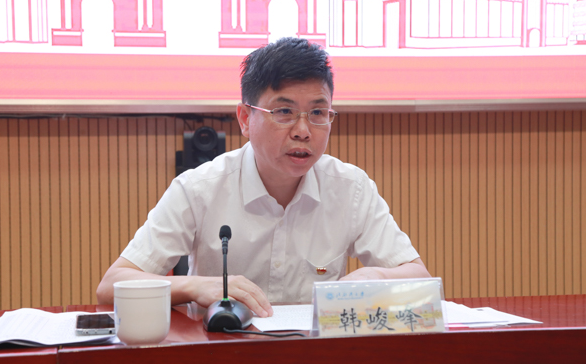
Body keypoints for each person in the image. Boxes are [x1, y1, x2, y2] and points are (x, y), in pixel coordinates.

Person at [96, 37, 430, 317]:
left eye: (318, 112)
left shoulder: (350, 188)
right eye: (284, 112)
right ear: (245, 118)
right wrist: (195, 286)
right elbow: (112, 286)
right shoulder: (199, 188)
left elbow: (419, 277)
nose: (303, 131)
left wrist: (376, 277)